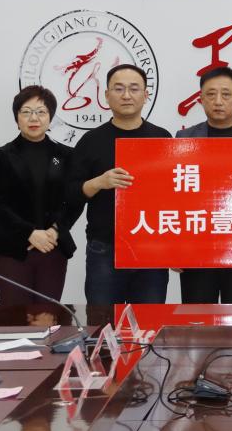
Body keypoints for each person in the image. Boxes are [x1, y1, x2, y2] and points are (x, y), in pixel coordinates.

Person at [66, 64, 171, 304]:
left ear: (146, 95)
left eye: (134, 89)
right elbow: (70, 193)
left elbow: (174, 195)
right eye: (119, 89)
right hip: (105, 247)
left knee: (147, 322)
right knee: (102, 321)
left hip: (151, 248)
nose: (126, 95)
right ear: (106, 95)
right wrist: (99, 182)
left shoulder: (162, 138)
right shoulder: (91, 140)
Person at [175, 67, 232, 303]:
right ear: (201, 99)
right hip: (196, 253)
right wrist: (173, 250)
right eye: (211, 94)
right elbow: (174, 199)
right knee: (197, 320)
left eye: (226, 94)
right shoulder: (184, 140)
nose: (218, 101)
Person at [0, 85, 82, 305]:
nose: (34, 118)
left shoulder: (66, 155)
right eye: (26, 112)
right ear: (17, 118)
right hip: (12, 251)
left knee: (47, 318)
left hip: (52, 248)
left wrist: (55, 230)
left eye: (41, 112)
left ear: (50, 117)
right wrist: (28, 233)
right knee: (15, 319)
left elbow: (74, 200)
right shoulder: (1, 156)